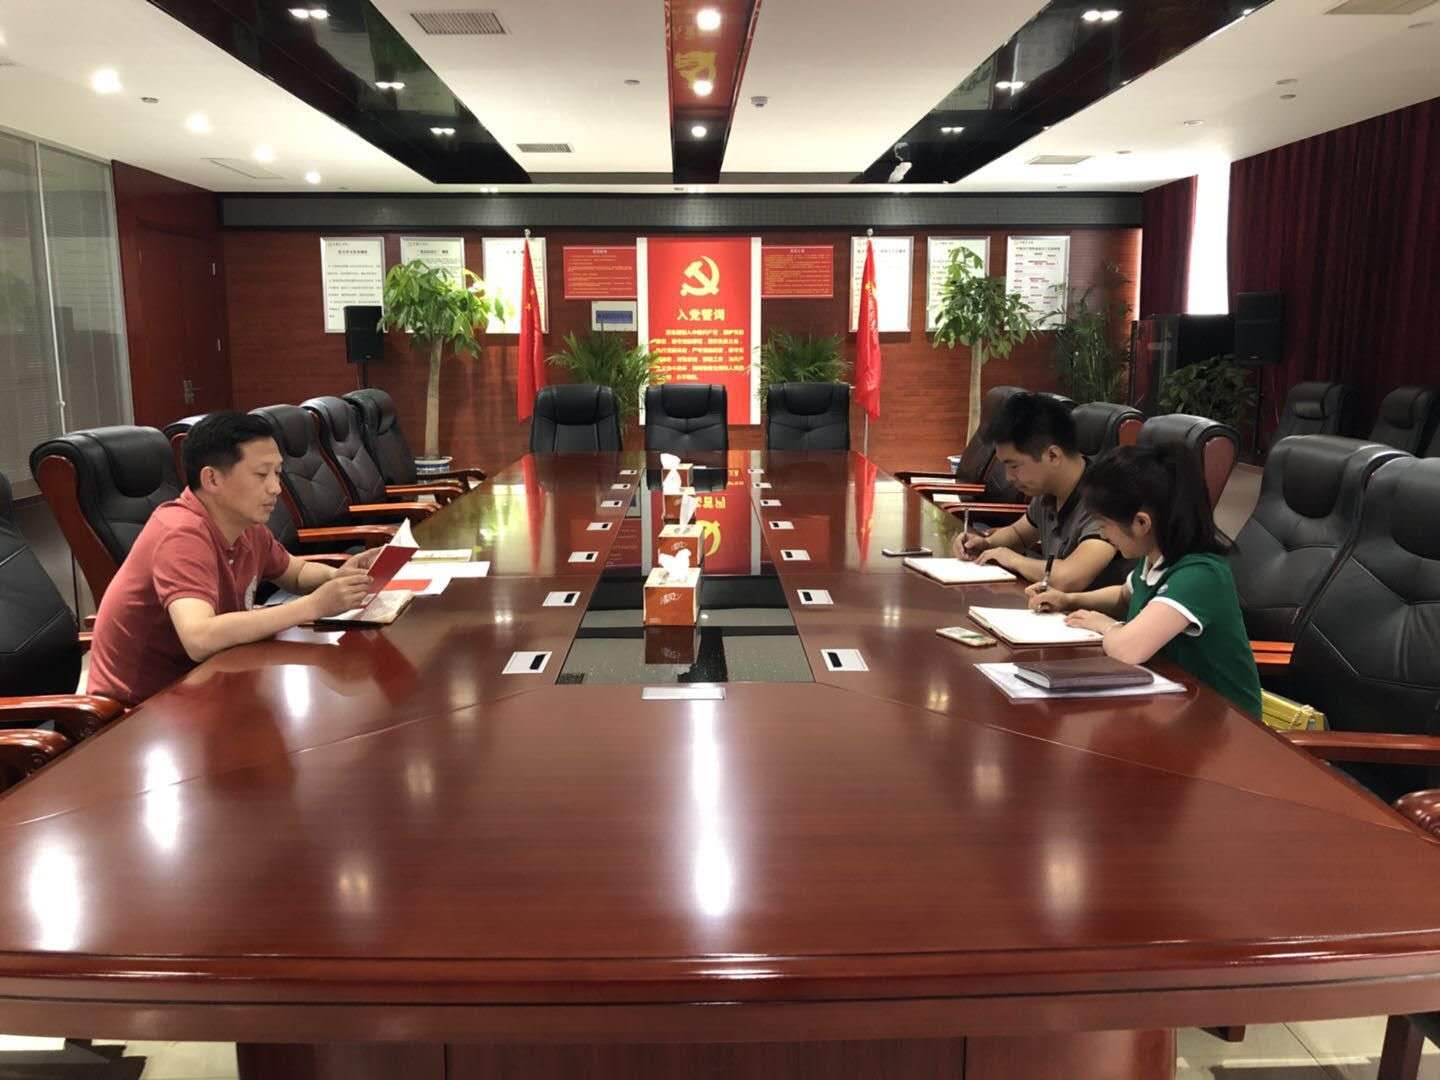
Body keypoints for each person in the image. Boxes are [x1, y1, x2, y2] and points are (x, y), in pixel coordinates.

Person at [87, 411, 381, 706]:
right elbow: (199, 638)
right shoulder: (181, 533)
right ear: (212, 478)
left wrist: (339, 577)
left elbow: (296, 573)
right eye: (261, 474)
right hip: (141, 711)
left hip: (208, 682)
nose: (276, 488)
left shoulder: (245, 525)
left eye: (277, 473)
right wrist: (314, 606)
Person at [1025, 443, 1262, 717]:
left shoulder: (1199, 574)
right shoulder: (1156, 557)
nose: (1102, 535)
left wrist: (1105, 625)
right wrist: (1069, 599)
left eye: (1103, 524)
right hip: (1173, 705)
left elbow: (1127, 649)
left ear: (1141, 523)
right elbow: (1124, 595)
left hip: (1225, 721)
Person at [950, 392, 1127, 591]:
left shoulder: (1106, 499)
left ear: (1053, 456)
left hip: (1092, 610)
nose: (1008, 477)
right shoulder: (1049, 490)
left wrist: (1013, 560)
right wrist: (984, 544)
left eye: (1014, 466)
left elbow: (1070, 578)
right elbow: (1019, 534)